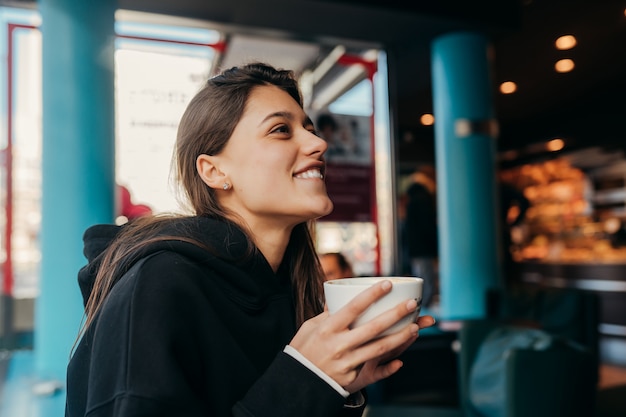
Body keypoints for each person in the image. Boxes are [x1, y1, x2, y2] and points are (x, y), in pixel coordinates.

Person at [65, 62, 435, 417]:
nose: (318, 143)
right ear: (214, 170)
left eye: (309, 128)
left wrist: (340, 386)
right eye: (280, 130)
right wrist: (307, 377)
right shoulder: (160, 283)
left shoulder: (293, 288)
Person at [401, 164, 438, 308]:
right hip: (423, 247)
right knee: (426, 282)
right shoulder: (423, 197)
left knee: (421, 278)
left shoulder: (412, 196)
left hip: (414, 247)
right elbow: (426, 226)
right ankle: (423, 309)